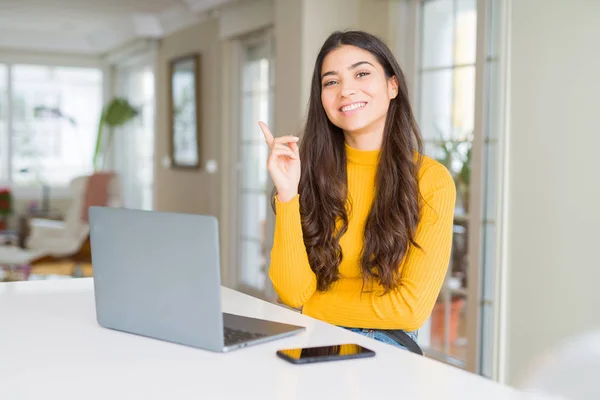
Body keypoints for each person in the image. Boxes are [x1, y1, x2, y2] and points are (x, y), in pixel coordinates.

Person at [258, 30, 456, 352]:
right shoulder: (306, 172)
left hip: (383, 347)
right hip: (309, 338)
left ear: (392, 86)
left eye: (361, 73)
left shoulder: (431, 180)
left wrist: (312, 305)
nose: (346, 90)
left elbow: (410, 309)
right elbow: (293, 291)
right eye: (331, 82)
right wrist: (287, 193)